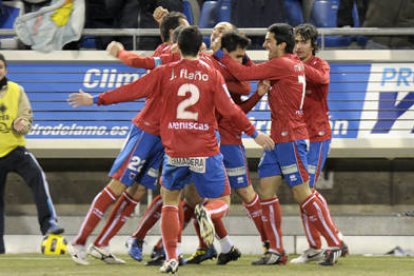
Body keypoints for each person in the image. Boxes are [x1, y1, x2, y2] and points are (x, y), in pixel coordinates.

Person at [68, 25, 274, 274]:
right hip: (200, 148)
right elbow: (231, 109)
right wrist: (255, 133)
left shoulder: (165, 71)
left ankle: (171, 257)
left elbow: (132, 90)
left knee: (169, 200)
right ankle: (208, 217)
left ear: (178, 45)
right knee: (219, 199)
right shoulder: (211, 73)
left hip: (173, 150)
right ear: (200, 47)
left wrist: (96, 99)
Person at [215, 23, 344, 266]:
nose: (264, 44)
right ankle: (276, 251)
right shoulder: (288, 63)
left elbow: (243, 74)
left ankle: (334, 242)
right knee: (265, 190)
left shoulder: (284, 64)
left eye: (268, 40)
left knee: (302, 192)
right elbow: (255, 69)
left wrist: (221, 52)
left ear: (281, 45)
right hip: (279, 138)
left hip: (292, 137)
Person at [66, 12, 189, 266]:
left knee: (138, 189)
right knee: (118, 186)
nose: (192, 33)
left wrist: (164, 24)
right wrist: (119, 57)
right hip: (145, 131)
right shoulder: (169, 55)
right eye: (185, 30)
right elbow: (140, 69)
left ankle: (101, 244)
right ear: (173, 37)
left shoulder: (175, 53)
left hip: (163, 137)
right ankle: (79, 241)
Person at [290, 23, 348, 264]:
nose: (299, 46)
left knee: (306, 191)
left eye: (304, 41)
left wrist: (295, 66)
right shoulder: (291, 63)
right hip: (298, 137)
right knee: (303, 192)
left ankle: (322, 243)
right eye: (297, 41)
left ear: (313, 44)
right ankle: (326, 241)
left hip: (318, 136)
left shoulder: (319, 65)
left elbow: (321, 78)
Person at [0, 53, 64, 254]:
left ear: (6, 70)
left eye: (1, 67)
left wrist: (23, 124)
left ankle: (49, 225)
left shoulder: (16, 90)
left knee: (37, 177)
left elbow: (27, 116)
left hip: (15, 150)